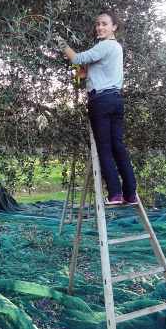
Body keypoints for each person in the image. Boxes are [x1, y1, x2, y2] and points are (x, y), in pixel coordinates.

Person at [56, 11, 138, 205]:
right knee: (118, 146)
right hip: (116, 100)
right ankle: (130, 193)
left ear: (114, 27)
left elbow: (76, 59)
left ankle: (115, 194)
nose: (99, 27)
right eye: (98, 24)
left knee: (105, 148)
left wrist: (61, 43)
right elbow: (85, 73)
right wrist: (83, 73)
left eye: (104, 24)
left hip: (100, 101)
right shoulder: (115, 48)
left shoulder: (105, 45)